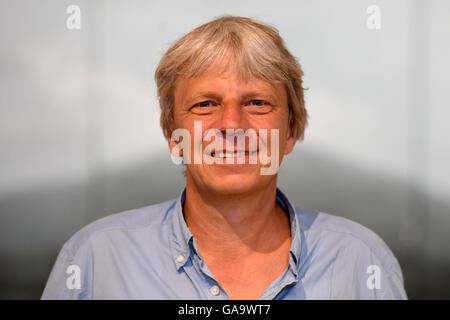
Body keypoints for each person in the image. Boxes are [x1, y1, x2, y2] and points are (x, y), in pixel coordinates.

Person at [41, 15, 407, 300]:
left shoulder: (360, 261)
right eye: (205, 104)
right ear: (173, 136)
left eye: (257, 103)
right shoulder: (95, 259)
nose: (232, 124)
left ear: (291, 131)